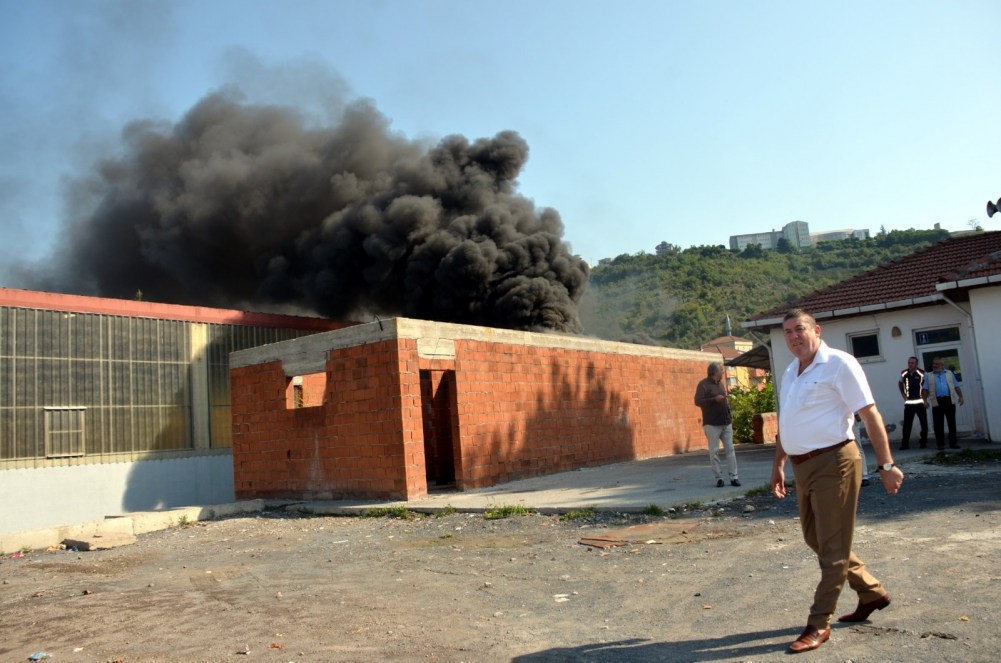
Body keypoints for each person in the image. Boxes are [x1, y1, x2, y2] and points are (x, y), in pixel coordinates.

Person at [770, 309, 904, 653]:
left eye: (799, 329)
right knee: (815, 537)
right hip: (802, 466)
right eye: (787, 332)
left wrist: (886, 464)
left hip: (835, 462)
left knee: (832, 549)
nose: (794, 337)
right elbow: (787, 420)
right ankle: (871, 592)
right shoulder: (790, 371)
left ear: (816, 330)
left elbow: (870, 414)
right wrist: (779, 464)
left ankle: (818, 622)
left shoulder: (840, 364)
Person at [693, 362, 740, 488]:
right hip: (712, 423)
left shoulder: (721, 384)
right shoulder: (703, 384)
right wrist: (714, 399)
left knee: (730, 450)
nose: (723, 372)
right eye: (721, 371)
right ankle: (719, 478)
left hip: (726, 422)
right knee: (714, 452)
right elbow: (697, 401)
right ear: (714, 372)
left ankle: (734, 477)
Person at [921, 357, 964, 450]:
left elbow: (956, 386)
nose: (934, 366)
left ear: (942, 365)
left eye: (937, 364)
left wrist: (960, 397)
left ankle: (953, 442)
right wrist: (925, 400)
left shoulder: (949, 374)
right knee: (938, 423)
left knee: (951, 422)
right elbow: (925, 389)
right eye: (933, 364)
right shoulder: (929, 375)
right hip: (937, 401)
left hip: (949, 400)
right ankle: (940, 444)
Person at [898, 356, 928, 450]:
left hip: (920, 403)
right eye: (909, 363)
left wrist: (925, 400)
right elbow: (900, 384)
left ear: (916, 364)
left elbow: (926, 387)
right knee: (907, 424)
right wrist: (903, 395)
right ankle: (905, 444)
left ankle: (923, 442)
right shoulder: (904, 373)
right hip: (909, 403)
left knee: (923, 423)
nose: (910, 364)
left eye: (912, 363)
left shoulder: (922, 373)